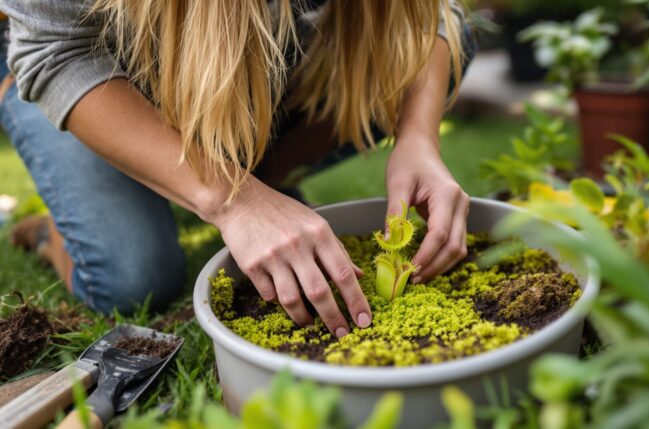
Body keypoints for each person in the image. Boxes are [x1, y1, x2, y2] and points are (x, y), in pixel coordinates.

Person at [0, 0, 474, 338]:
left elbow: (431, 16)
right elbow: (57, 53)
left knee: (456, 42)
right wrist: (234, 200)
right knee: (133, 278)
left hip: (247, 49)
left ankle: (250, 189)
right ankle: (56, 229)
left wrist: (418, 138)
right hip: (82, 62)